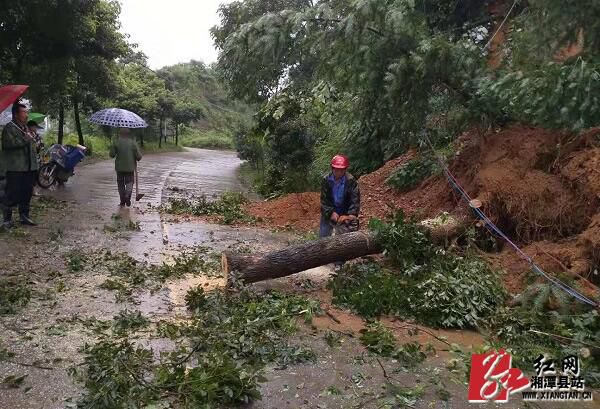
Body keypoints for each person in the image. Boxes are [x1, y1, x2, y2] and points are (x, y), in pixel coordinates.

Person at [1, 102, 39, 228]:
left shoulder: (25, 127)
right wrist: (25, 139)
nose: (26, 115)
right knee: (12, 193)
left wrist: (34, 143)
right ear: (16, 114)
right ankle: (7, 219)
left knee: (26, 193)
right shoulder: (9, 128)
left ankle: (24, 216)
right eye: (24, 112)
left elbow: (30, 145)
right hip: (16, 168)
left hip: (29, 167)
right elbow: (8, 145)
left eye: (27, 112)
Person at [320, 154, 361, 268]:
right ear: (332, 169)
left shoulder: (351, 181)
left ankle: (339, 264)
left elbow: (355, 200)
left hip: (344, 211)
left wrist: (349, 216)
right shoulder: (326, 180)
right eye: (336, 169)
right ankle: (322, 259)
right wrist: (330, 212)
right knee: (324, 235)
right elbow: (324, 200)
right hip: (330, 209)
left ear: (345, 170)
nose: (338, 172)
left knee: (342, 238)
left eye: (341, 170)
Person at [109, 128, 142, 207]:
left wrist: (113, 146)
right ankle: (127, 195)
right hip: (130, 167)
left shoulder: (116, 142)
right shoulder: (133, 143)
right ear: (128, 134)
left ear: (120, 134)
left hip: (119, 168)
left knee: (120, 184)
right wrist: (136, 156)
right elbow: (139, 157)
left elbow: (112, 155)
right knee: (129, 182)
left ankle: (122, 201)